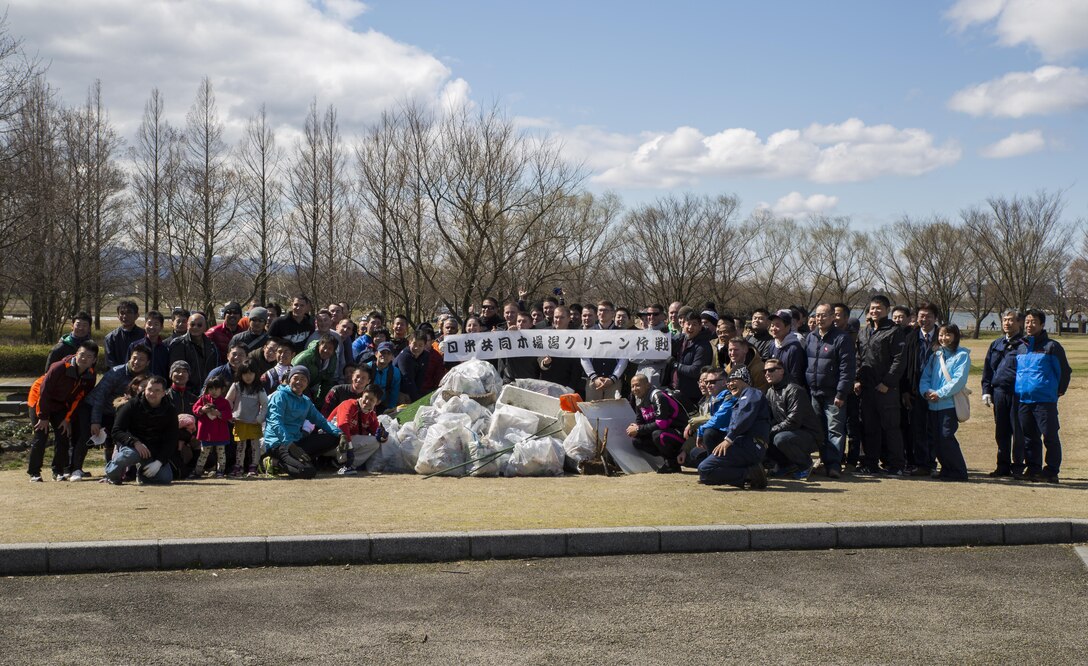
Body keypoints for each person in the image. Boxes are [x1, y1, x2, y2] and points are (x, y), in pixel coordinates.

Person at [1009, 309, 1071, 483]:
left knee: (1050, 436)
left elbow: (1064, 371)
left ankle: (1051, 471)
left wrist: (1059, 390)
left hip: (1044, 400)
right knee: (1029, 437)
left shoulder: (1052, 347)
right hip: (1023, 399)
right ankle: (1033, 468)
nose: (1029, 325)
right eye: (1027, 322)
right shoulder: (1021, 347)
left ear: (1042, 324)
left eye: (1034, 322)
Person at [26, 340, 99, 482]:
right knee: (41, 434)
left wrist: (67, 419)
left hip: (60, 404)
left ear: (94, 360)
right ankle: (34, 472)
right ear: (76, 354)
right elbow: (44, 392)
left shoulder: (90, 375)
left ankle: (58, 471)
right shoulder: (59, 367)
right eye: (81, 354)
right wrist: (43, 417)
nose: (84, 359)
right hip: (39, 399)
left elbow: (78, 399)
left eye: (89, 356)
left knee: (63, 435)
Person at [855, 295, 907, 476]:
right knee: (870, 428)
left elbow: (899, 360)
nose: (874, 311)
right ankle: (871, 464)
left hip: (886, 390)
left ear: (887, 310)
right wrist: (856, 379)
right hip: (867, 389)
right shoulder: (864, 331)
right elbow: (859, 358)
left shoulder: (894, 331)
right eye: (872, 308)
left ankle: (897, 465)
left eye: (879, 308)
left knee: (891, 428)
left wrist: (887, 383)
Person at [695, 367, 770, 489]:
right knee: (702, 467)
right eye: (728, 381)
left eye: (734, 380)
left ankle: (750, 474)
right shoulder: (740, 399)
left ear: (744, 379)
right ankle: (749, 472)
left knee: (705, 469)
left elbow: (744, 418)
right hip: (741, 444)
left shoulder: (751, 393)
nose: (730, 384)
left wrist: (728, 439)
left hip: (751, 445)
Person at [263, 365, 343, 479]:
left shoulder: (306, 401)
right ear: (289, 379)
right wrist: (289, 444)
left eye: (303, 379)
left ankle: (299, 460)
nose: (299, 382)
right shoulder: (279, 396)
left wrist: (340, 434)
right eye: (296, 378)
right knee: (308, 472)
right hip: (278, 443)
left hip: (297, 441)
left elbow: (321, 421)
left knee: (334, 438)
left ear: (307, 384)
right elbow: (276, 422)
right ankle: (274, 462)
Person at [805, 303, 855, 478]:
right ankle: (823, 462)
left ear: (833, 317)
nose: (820, 318)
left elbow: (847, 369)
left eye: (824, 315)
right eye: (817, 315)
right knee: (819, 430)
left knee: (835, 429)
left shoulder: (842, 338)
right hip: (814, 392)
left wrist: (842, 392)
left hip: (834, 393)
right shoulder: (810, 337)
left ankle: (834, 465)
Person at [917, 323, 972, 481]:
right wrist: (926, 391)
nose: (944, 338)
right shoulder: (936, 355)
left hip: (949, 404)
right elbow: (926, 376)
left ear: (955, 336)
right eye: (941, 335)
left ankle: (959, 471)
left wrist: (939, 393)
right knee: (936, 438)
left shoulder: (961, 355)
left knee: (946, 436)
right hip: (933, 404)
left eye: (948, 335)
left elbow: (958, 380)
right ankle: (947, 469)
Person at [102, 376, 179, 486]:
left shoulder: (170, 410)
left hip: (154, 451)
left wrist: (159, 462)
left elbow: (172, 439)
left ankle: (142, 475)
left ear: (164, 393)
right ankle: (112, 475)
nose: (152, 393)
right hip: (133, 447)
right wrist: (135, 442)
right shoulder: (131, 405)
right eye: (149, 390)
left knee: (165, 479)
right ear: (145, 389)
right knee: (128, 455)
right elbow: (116, 431)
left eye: (157, 391)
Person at [88, 344, 152, 466]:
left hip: (125, 414)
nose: (137, 362)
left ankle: (127, 467)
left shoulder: (148, 377)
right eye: (134, 358)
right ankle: (76, 468)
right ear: (129, 358)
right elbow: (100, 397)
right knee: (106, 440)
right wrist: (95, 421)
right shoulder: (116, 372)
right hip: (104, 410)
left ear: (148, 362)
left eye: (141, 359)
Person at [981, 310, 1026, 477]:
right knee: (1001, 431)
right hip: (999, 392)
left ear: (1019, 323)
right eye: (1005, 320)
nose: (1007, 323)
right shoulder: (996, 344)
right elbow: (988, 369)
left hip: (1017, 393)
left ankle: (1018, 466)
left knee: (1018, 431)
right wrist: (986, 390)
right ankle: (1002, 465)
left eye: (1011, 320)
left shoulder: (1024, 344)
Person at [763, 358, 821, 480]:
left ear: (781, 371)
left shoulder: (794, 390)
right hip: (788, 432)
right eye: (765, 371)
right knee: (762, 434)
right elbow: (767, 417)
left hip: (809, 435)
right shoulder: (770, 392)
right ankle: (787, 465)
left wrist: (771, 430)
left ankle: (805, 464)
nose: (767, 373)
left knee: (779, 438)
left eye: (771, 370)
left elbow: (794, 421)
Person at [902, 302, 940, 475]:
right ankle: (920, 463)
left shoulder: (942, 336)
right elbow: (904, 366)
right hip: (915, 390)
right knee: (917, 428)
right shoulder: (910, 337)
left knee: (934, 429)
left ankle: (932, 463)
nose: (924, 319)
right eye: (921, 316)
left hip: (938, 391)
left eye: (928, 316)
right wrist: (905, 390)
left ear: (935, 318)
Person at [625, 373, 688, 474]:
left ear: (648, 385)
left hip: (679, 433)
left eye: (637, 385)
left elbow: (662, 423)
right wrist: (635, 429)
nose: (634, 389)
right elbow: (640, 422)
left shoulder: (658, 396)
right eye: (632, 386)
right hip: (664, 432)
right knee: (637, 441)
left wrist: (638, 429)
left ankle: (672, 463)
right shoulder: (639, 400)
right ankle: (670, 459)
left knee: (658, 435)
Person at [329, 384, 389, 475]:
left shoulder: (371, 414)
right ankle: (342, 463)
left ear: (377, 402)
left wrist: (383, 436)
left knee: (375, 442)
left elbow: (376, 433)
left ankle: (347, 466)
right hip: (331, 441)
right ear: (362, 394)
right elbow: (342, 425)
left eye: (372, 400)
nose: (367, 401)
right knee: (346, 438)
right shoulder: (349, 404)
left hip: (345, 444)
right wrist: (349, 448)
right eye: (366, 397)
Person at [682, 368, 732, 469]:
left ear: (723, 382)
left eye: (712, 382)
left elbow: (717, 419)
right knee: (693, 454)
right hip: (722, 437)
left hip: (732, 439)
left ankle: (715, 468)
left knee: (709, 433)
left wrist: (700, 429)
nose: (707, 385)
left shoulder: (729, 397)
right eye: (706, 382)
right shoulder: (713, 399)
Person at [226, 361, 267, 477]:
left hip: (254, 422)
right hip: (240, 421)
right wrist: (230, 414)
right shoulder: (236, 386)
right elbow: (228, 400)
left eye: (251, 373)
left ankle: (254, 467)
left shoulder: (259, 388)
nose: (248, 376)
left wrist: (260, 418)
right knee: (240, 446)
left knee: (255, 446)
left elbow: (265, 404)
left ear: (256, 374)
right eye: (245, 373)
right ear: (240, 374)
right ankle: (238, 466)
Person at [190, 375, 234, 479]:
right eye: (211, 389)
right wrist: (202, 409)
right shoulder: (203, 399)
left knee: (221, 453)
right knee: (203, 453)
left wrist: (219, 413)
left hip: (220, 433)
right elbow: (195, 409)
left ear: (222, 389)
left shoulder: (224, 402)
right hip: (207, 433)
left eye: (216, 389)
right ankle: (198, 471)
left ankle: (220, 471)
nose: (213, 391)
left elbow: (229, 414)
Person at [168, 312, 219, 392]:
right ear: (187, 326)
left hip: (207, 391)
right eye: (192, 324)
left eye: (199, 325)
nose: (195, 327)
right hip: (185, 393)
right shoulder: (178, 344)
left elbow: (215, 370)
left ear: (205, 327)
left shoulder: (212, 346)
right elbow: (176, 372)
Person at [395, 330, 445, 402]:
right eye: (414, 344)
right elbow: (408, 379)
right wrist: (416, 399)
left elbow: (420, 377)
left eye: (420, 345)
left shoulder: (426, 355)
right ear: (409, 343)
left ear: (425, 345)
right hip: (398, 388)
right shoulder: (405, 357)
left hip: (412, 387)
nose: (416, 348)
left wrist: (418, 396)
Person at [292, 333, 340, 403]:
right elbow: (292, 373)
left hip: (312, 387)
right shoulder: (306, 356)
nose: (326, 351)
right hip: (298, 385)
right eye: (324, 347)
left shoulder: (332, 359)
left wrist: (321, 402)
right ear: (319, 346)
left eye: (330, 349)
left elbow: (327, 382)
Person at [768, 309, 806, 385]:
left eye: (777, 325)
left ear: (788, 327)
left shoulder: (794, 347)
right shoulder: (772, 345)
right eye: (772, 325)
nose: (773, 329)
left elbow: (796, 376)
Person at [129, 310, 170, 378]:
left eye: (156, 324)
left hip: (159, 386)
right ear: (145, 325)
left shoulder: (166, 349)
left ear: (161, 327)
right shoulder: (134, 346)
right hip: (139, 385)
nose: (152, 327)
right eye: (149, 324)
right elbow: (128, 369)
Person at [104, 300, 145, 367]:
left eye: (129, 312)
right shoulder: (110, 338)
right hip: (118, 375)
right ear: (118, 316)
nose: (125, 316)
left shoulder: (144, 335)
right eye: (122, 313)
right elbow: (110, 363)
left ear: (137, 315)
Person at [368, 342, 403, 413]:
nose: (385, 355)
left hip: (383, 403)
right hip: (367, 401)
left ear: (392, 357)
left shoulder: (395, 372)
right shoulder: (367, 368)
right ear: (376, 354)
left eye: (388, 353)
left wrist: (390, 408)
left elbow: (394, 392)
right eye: (382, 352)